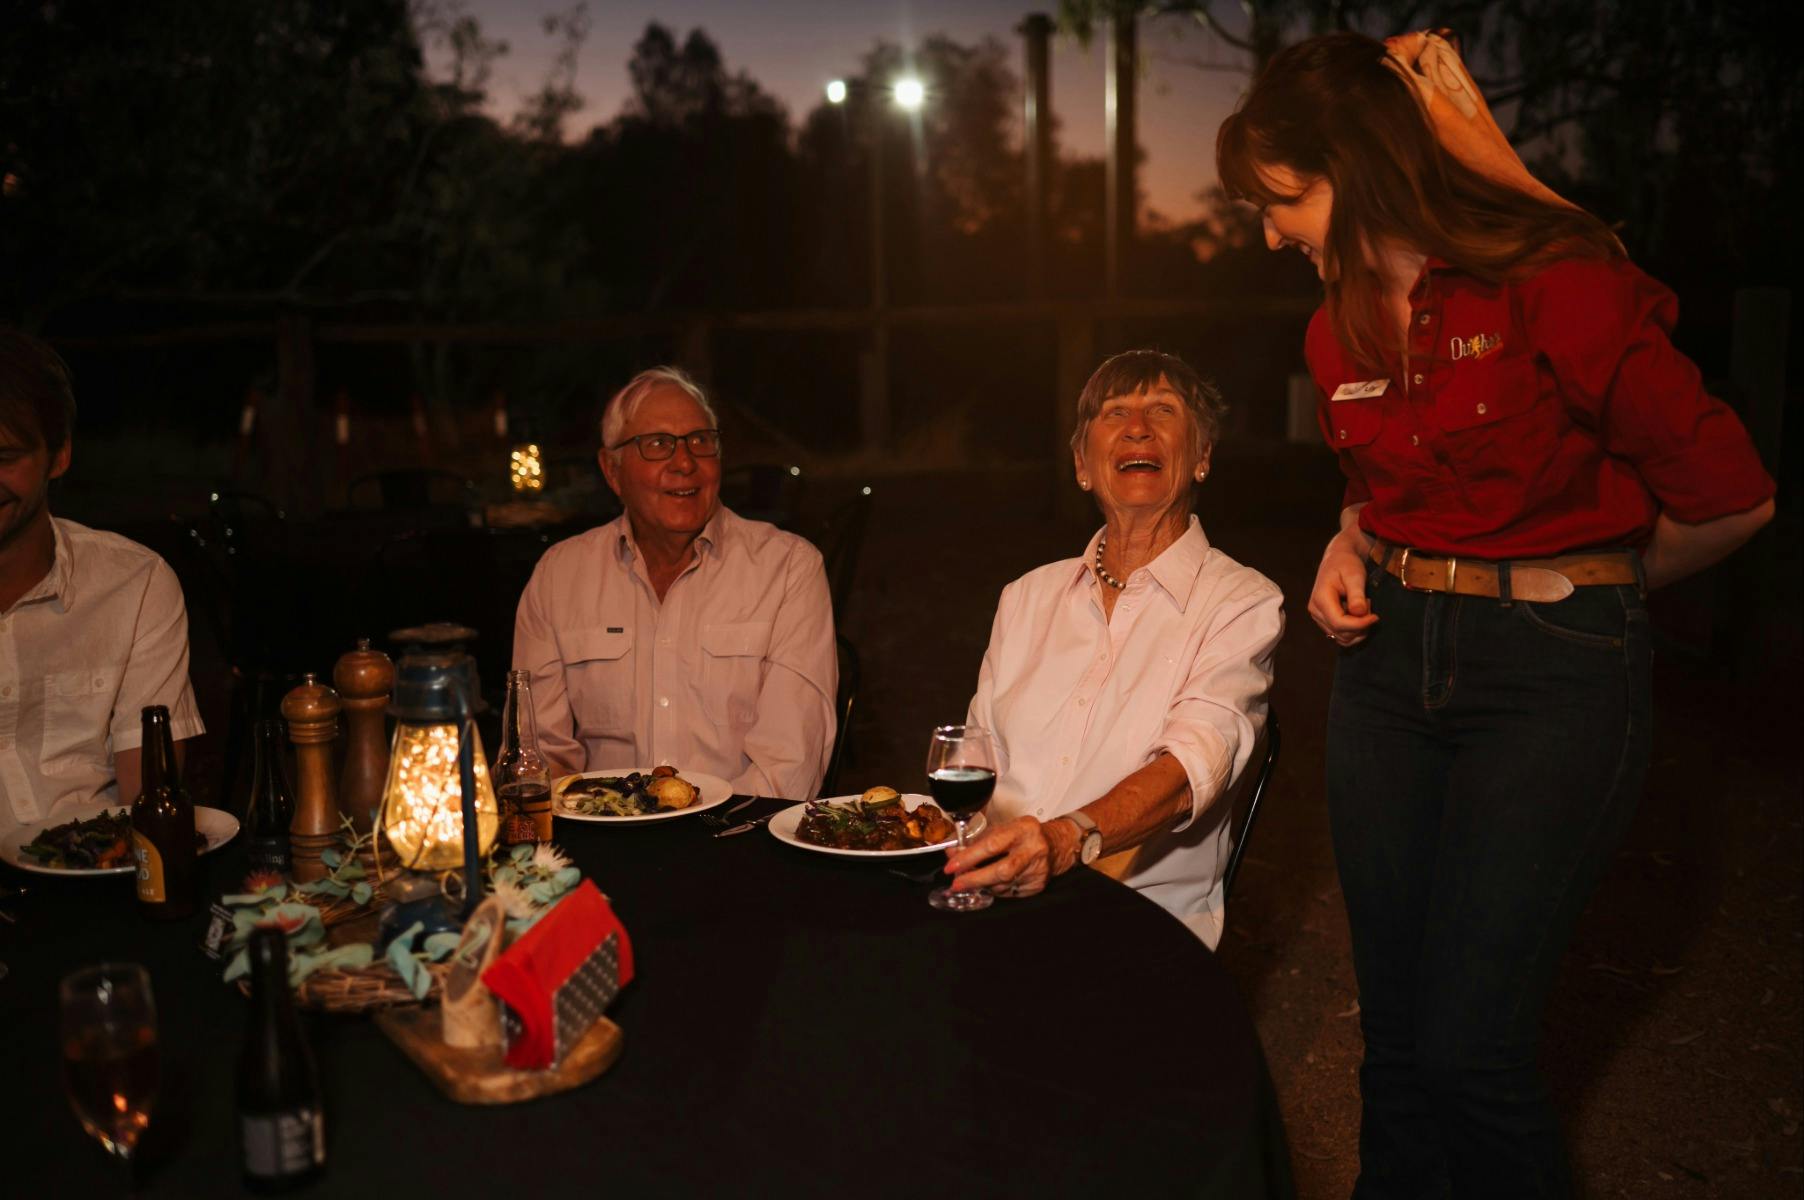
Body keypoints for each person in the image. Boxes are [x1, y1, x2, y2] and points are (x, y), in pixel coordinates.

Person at [1217, 32, 1776, 1197]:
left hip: (1549, 680)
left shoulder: (1549, 281)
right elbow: (1385, 489)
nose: (1268, 234)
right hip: (1389, 678)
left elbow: (1734, 500)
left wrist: (1585, 590)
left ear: (1356, 169)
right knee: (1400, 1048)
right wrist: (1348, 535)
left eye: (1282, 200)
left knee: (1474, 1055)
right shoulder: (1334, 330)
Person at [942, 350, 1283, 946]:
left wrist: (1066, 839)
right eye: (1115, 412)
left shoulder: (1241, 603)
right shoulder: (1025, 598)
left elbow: (1189, 769)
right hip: (1000, 905)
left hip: (1138, 926)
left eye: (1163, 410)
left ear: (1201, 457)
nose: (1137, 427)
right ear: (1081, 463)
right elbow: (977, 763)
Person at [512, 366, 837, 800]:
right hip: (602, 844)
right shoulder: (559, 577)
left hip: (736, 843)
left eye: (700, 441)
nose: (684, 463)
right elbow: (538, 756)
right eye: (657, 445)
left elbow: (789, 766)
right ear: (612, 470)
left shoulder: (788, 569)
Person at [0, 328, 205, 831]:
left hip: (90, 877)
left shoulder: (134, 586)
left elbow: (149, 803)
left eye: (4, 459)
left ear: (59, 456)